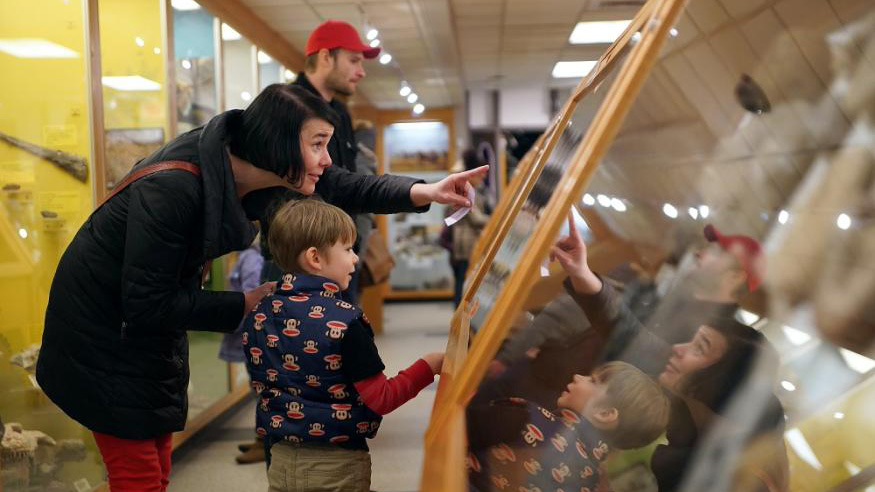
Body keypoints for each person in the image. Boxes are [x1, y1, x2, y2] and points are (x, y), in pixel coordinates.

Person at [35, 83, 485, 492]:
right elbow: (146, 301)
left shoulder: (253, 171)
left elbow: (343, 185)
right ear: (279, 143)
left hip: (143, 342)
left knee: (154, 468)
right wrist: (242, 304)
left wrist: (425, 191)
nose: (327, 159)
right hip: (101, 340)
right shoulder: (173, 188)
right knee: (139, 479)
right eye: (318, 145)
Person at [550, 217, 789, 492]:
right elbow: (632, 338)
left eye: (699, 347)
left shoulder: (736, 477)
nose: (676, 348)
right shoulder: (696, 424)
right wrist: (583, 274)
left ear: (718, 383)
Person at [244, 198, 443, 492]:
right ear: (315, 258)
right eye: (347, 249)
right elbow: (382, 398)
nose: (355, 259)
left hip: (280, 460)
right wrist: (430, 365)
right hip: (337, 464)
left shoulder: (259, 314)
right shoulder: (346, 322)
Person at [261, 19, 378, 302]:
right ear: (326, 56)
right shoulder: (285, 107)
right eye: (353, 60)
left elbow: (347, 182)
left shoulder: (341, 112)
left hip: (340, 257)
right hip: (296, 260)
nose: (361, 72)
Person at [466, 361, 670, 492]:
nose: (578, 377)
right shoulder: (592, 482)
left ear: (605, 414)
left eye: (593, 381)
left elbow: (454, 427)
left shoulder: (526, 418)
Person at [448, 149, 490, 307]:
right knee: (463, 285)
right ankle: (459, 324)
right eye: (480, 174)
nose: (483, 178)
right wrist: (499, 218)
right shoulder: (465, 192)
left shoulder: (467, 190)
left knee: (462, 283)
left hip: (464, 244)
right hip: (466, 246)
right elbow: (476, 219)